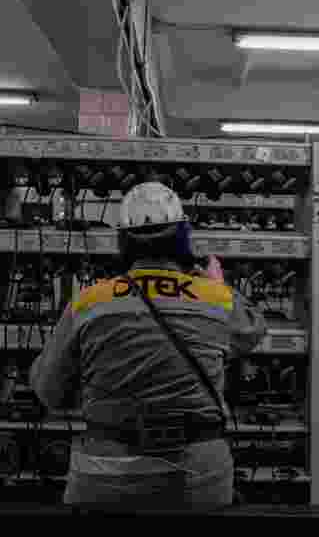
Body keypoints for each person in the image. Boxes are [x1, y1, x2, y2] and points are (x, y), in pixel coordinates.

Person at [30, 181, 267, 508]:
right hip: (197, 479)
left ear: (123, 241)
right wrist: (216, 284)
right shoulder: (215, 298)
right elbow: (253, 330)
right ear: (183, 237)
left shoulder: (89, 301)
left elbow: (48, 392)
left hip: (104, 478)